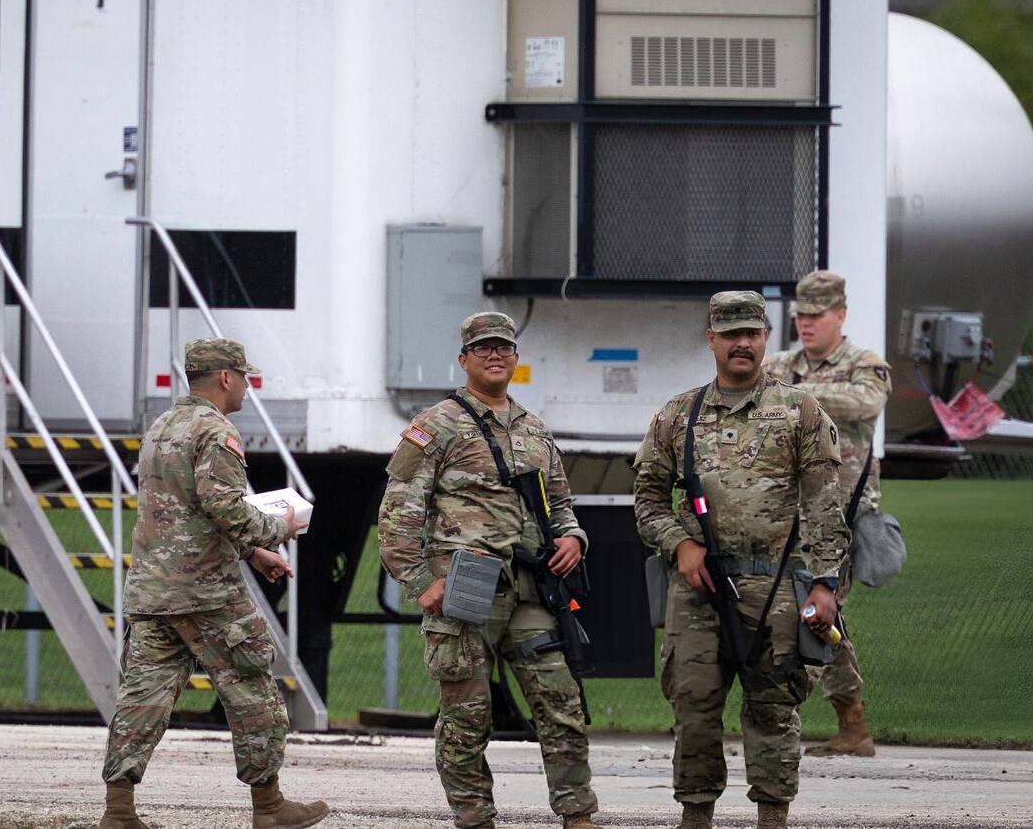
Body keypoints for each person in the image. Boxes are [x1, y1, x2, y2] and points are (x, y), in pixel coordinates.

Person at [633, 292, 849, 829]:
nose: (742, 344)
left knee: (774, 710)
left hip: (774, 585)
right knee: (694, 707)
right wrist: (681, 545)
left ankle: (773, 818)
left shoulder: (799, 410)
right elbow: (647, 501)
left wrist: (825, 584)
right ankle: (696, 816)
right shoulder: (678, 415)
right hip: (698, 589)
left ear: (765, 339)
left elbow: (824, 504)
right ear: (711, 340)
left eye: (751, 333)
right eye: (730, 334)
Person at [378, 312, 602, 829]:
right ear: (464, 360)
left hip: (528, 592)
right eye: (483, 349)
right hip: (464, 592)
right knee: (466, 720)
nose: (495, 355)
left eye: (503, 347)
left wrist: (573, 538)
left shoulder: (534, 429)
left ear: (516, 358)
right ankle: (474, 818)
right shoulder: (435, 425)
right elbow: (398, 511)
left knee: (561, 704)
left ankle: (578, 815)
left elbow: (561, 504)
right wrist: (419, 582)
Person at [99, 338, 328, 829]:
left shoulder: (162, 426)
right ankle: (269, 807)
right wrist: (281, 527)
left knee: (141, 699)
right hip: (207, 594)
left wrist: (251, 552)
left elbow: (182, 511)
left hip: (152, 591)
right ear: (226, 378)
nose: (247, 386)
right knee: (253, 692)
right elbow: (224, 507)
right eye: (244, 376)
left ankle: (118, 812)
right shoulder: (216, 430)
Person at [764, 270, 891, 757]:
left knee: (813, 612)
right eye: (800, 315)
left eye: (817, 316)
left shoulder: (865, 366)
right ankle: (852, 725)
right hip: (786, 513)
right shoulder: (780, 364)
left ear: (840, 315)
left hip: (839, 516)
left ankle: (778, 718)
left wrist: (796, 393)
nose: (807, 324)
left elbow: (866, 403)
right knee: (821, 614)